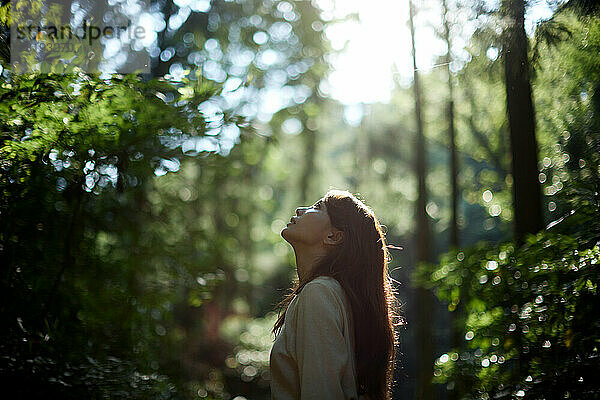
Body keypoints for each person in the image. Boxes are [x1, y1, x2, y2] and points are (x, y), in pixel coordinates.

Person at [269, 189, 401, 400]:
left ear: (333, 236)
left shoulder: (318, 293)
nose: (300, 210)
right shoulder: (330, 293)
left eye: (317, 207)